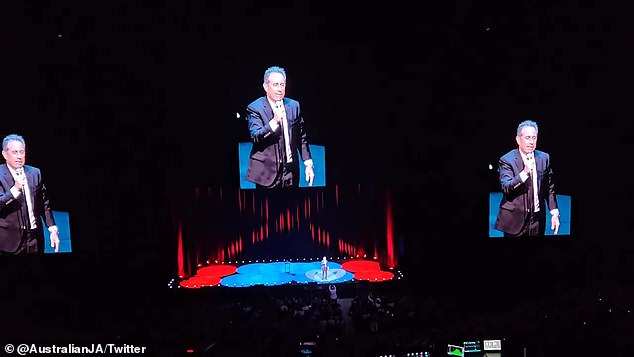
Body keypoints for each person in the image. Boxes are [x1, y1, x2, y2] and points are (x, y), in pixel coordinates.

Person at [245, 66, 315, 189]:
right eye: (275, 85)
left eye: (282, 85)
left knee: (292, 207)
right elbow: (255, 136)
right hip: (266, 173)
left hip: (290, 173)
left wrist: (308, 162)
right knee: (267, 207)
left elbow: (301, 137)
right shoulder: (255, 108)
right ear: (266, 87)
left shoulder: (294, 106)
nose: (279, 89)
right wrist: (274, 122)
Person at [494, 120, 560, 236]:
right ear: (518, 139)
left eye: (534, 138)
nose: (531, 142)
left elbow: (549, 188)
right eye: (527, 137)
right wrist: (524, 173)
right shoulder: (507, 160)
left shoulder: (544, 158)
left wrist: (554, 213)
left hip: (537, 221)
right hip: (515, 220)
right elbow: (506, 187)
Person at [0, 134, 60, 254]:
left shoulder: (34, 172)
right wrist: (15, 189)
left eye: (22, 152)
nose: (19, 156)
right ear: (5, 154)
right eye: (15, 152)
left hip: (35, 239)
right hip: (10, 241)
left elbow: (44, 204)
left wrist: (53, 229)